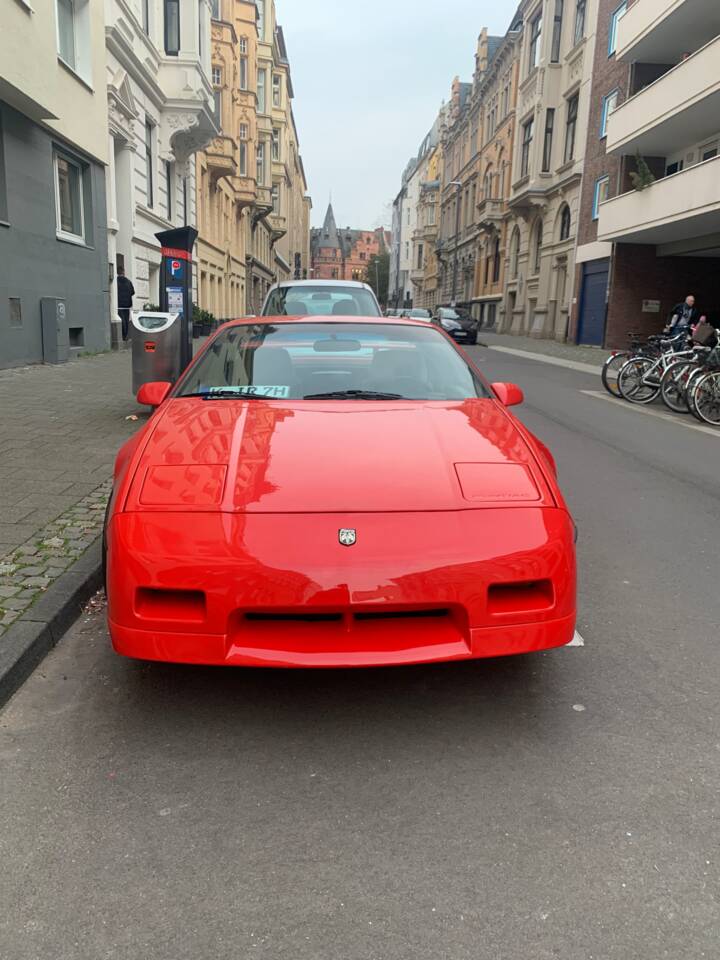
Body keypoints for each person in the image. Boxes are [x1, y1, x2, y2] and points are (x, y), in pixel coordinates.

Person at [116, 265, 135, 342]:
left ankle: (122, 337)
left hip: (119, 305)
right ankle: (125, 336)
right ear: (123, 272)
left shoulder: (115, 281)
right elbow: (132, 292)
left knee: (122, 320)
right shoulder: (128, 281)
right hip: (127, 305)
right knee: (126, 321)